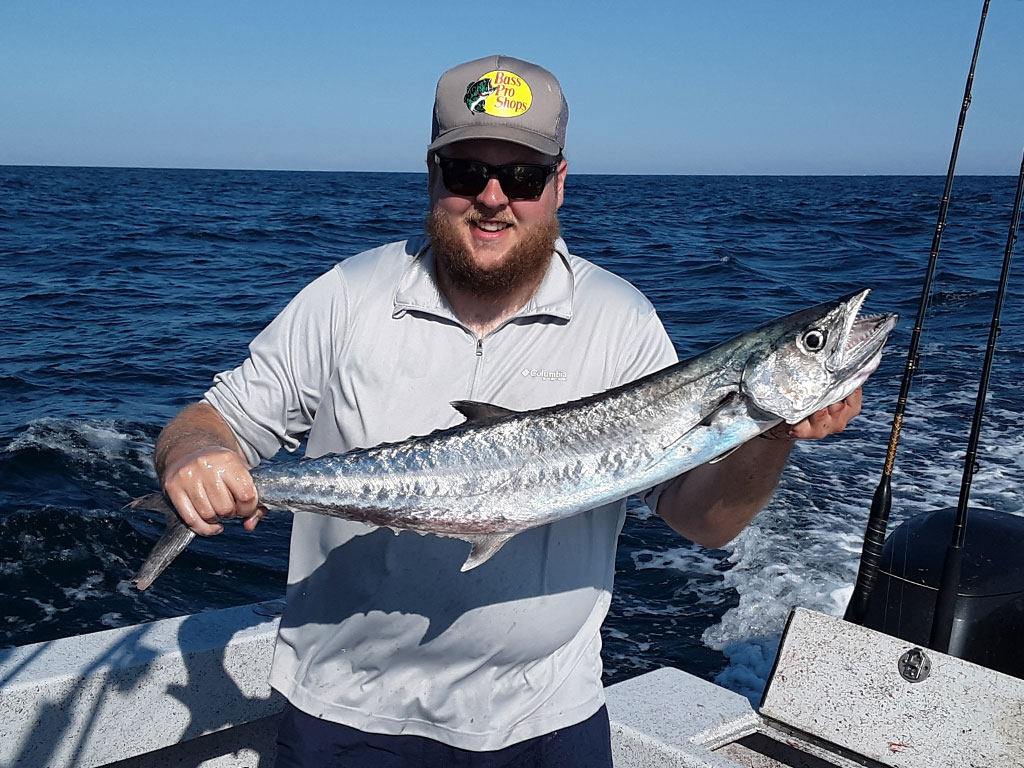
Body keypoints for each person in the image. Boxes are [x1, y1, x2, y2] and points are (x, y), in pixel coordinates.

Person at [152, 55, 862, 767]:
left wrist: (774, 434)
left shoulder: (621, 318)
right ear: (433, 175)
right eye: (466, 171)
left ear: (558, 183)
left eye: (520, 176)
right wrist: (194, 458)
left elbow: (703, 524)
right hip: (344, 714)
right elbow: (210, 422)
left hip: (546, 720)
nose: (493, 197)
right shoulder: (347, 295)